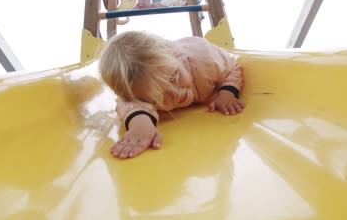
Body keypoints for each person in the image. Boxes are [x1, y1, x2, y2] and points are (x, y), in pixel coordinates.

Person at [99, 31, 245, 159]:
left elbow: (232, 67)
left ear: (175, 56)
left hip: (195, 49)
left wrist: (227, 91)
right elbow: (127, 103)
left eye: (173, 77)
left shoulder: (207, 61)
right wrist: (140, 124)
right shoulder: (140, 88)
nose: (176, 93)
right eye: (159, 95)